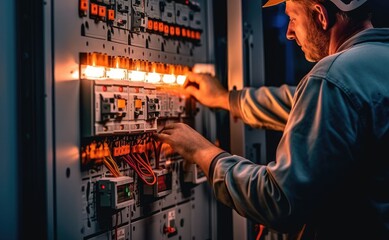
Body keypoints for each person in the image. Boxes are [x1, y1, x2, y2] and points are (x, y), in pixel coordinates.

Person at [156, 0, 389, 239]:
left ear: (320, 15)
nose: (288, 33)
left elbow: (280, 201)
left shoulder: (331, 77)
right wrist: (225, 98)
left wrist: (203, 153)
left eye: (293, 18)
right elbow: (303, 105)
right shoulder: (375, 62)